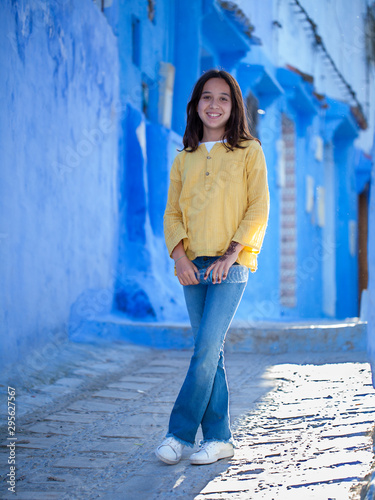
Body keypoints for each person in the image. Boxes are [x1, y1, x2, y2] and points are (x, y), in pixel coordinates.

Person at [155, 69, 269, 466]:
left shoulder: (249, 151)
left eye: (223, 98)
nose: (214, 105)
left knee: (205, 348)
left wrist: (231, 255)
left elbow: (258, 207)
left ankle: (179, 434)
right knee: (210, 351)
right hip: (192, 265)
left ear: (234, 106)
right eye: (207, 97)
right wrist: (180, 257)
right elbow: (171, 213)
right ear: (196, 105)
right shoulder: (183, 158)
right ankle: (220, 438)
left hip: (233, 264)